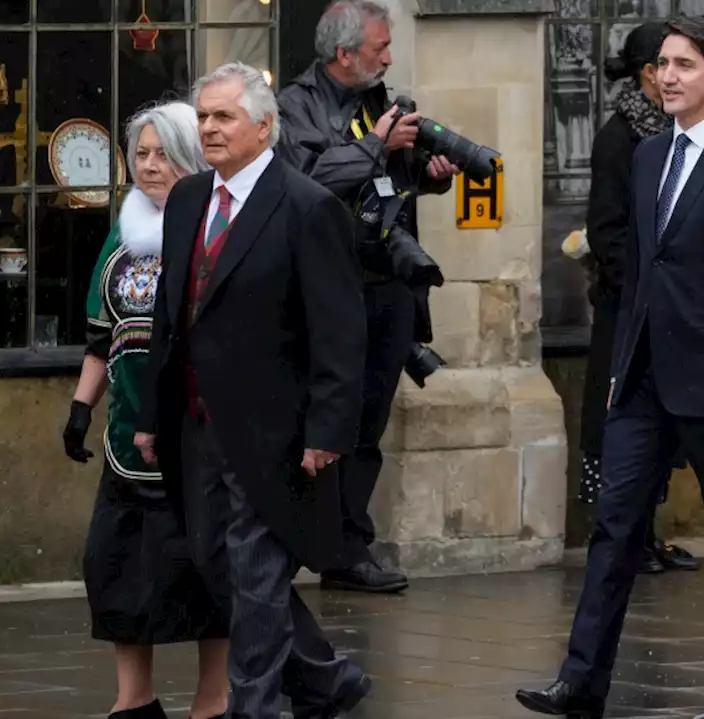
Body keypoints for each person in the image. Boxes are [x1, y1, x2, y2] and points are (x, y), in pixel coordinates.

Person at [515, 16, 704, 719]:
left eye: (684, 65)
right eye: (662, 65)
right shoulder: (645, 156)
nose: (667, 77)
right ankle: (581, 680)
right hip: (640, 380)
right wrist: (619, 360)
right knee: (615, 525)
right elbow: (637, 271)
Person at [133, 62, 370, 719]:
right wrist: (153, 412)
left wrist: (328, 430)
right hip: (197, 426)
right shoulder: (187, 201)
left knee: (258, 575)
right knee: (217, 562)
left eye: (223, 117)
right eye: (202, 115)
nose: (206, 127)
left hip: (274, 430)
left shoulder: (306, 207)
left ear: (264, 127)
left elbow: (340, 333)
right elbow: (169, 315)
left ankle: (256, 707)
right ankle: (324, 678)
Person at [275, 0, 459, 594]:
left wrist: (426, 175)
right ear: (344, 53)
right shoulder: (293, 107)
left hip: (388, 287)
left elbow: (385, 190)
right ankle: (313, 541)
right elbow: (309, 183)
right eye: (379, 47)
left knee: (368, 426)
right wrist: (378, 146)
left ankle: (349, 548)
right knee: (325, 422)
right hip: (327, 294)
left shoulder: (383, 101)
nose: (388, 57)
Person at [62, 102, 229, 719]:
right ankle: (135, 699)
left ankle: (213, 697)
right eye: (142, 154)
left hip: (194, 436)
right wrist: (83, 407)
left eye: (163, 153)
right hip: (127, 436)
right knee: (111, 566)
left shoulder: (213, 230)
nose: (150, 165)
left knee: (205, 571)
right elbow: (100, 335)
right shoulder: (123, 230)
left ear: (191, 156)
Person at [576, 20, 697, 576]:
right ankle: (626, 540)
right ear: (648, 73)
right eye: (668, 66)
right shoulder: (620, 136)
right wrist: (647, 288)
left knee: (661, 428)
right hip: (629, 309)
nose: (674, 77)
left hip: (667, 310)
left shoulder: (675, 134)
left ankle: (649, 536)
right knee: (623, 425)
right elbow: (607, 231)